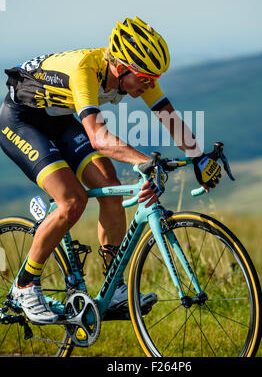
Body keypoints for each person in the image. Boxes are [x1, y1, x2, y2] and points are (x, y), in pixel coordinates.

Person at [0, 16, 221, 324]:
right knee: (72, 200)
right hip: (20, 121)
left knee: (111, 190)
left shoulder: (135, 75)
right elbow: (98, 137)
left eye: (153, 78)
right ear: (121, 67)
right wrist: (144, 160)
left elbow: (167, 116)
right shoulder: (84, 72)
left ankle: (114, 287)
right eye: (144, 78)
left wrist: (198, 157)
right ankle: (25, 285)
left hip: (57, 119)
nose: (149, 84)